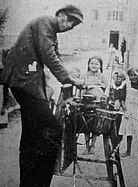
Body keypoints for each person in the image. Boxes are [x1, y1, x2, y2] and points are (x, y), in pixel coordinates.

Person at [1, 5, 84, 187]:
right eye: (70, 20)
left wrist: (70, 85)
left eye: (74, 24)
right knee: (54, 129)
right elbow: (49, 56)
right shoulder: (45, 23)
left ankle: (29, 183)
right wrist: (69, 79)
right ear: (60, 14)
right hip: (22, 81)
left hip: (26, 83)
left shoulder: (51, 33)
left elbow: (57, 57)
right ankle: (40, 182)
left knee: (31, 136)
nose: (70, 25)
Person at [82, 56, 107, 155]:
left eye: (96, 64)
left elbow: (106, 86)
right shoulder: (85, 76)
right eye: (92, 63)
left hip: (97, 102)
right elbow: (82, 86)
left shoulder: (101, 76)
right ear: (88, 65)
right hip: (87, 102)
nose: (94, 65)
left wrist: (99, 87)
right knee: (85, 123)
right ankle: (87, 146)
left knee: (95, 123)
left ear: (100, 66)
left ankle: (93, 144)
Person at [119, 68, 138, 158]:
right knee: (128, 130)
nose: (133, 77)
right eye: (131, 75)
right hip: (129, 111)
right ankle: (128, 151)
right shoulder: (126, 85)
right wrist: (125, 110)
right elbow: (122, 99)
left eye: (136, 75)